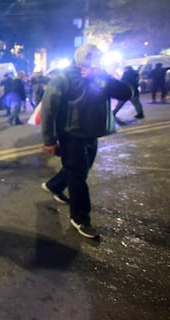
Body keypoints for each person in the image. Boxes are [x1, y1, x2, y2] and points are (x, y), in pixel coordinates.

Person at [40, 44, 132, 239]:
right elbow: (48, 110)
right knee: (78, 176)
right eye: (92, 57)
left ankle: (54, 185)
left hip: (92, 134)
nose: (96, 60)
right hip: (72, 136)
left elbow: (126, 93)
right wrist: (49, 139)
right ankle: (80, 218)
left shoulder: (100, 76)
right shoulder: (63, 78)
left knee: (79, 170)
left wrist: (102, 77)